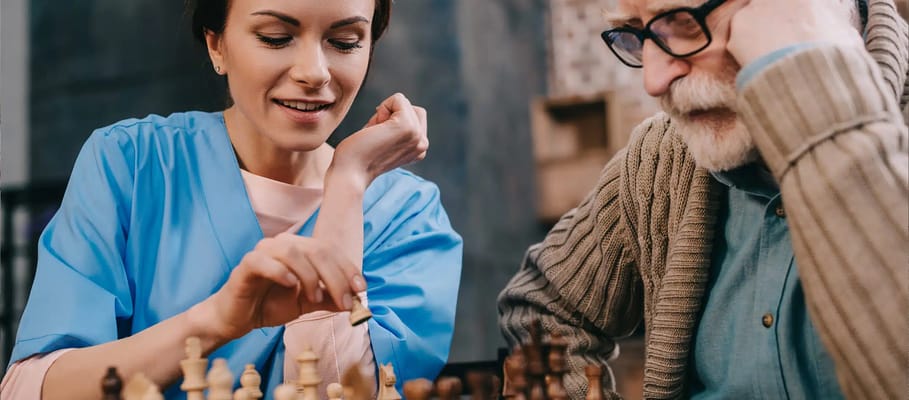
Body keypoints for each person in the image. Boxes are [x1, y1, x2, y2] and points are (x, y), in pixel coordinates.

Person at [0, 0, 463, 398]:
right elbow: (31, 389)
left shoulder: (408, 216)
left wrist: (348, 181)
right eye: (276, 36)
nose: (314, 73)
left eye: (344, 42)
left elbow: (340, 389)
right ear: (216, 44)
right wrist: (216, 321)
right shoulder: (131, 164)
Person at [499, 0, 907, 398]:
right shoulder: (663, 155)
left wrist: (823, 112)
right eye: (637, 35)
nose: (653, 81)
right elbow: (541, 305)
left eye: (683, 23)